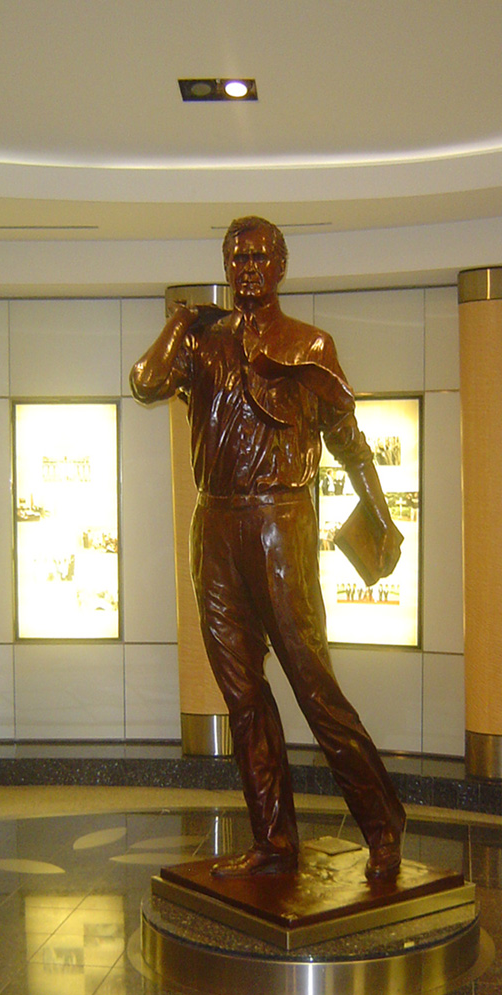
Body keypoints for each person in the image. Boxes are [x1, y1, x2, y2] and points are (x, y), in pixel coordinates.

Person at [130, 216, 406, 881]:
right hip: (217, 526)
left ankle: (382, 823)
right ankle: (274, 839)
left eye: (259, 257)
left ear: (281, 265)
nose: (247, 268)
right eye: (236, 258)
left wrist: (378, 509)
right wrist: (178, 323)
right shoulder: (202, 342)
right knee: (243, 693)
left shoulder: (309, 343)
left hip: (282, 520)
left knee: (312, 683)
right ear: (224, 266)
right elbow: (145, 384)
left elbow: (346, 433)